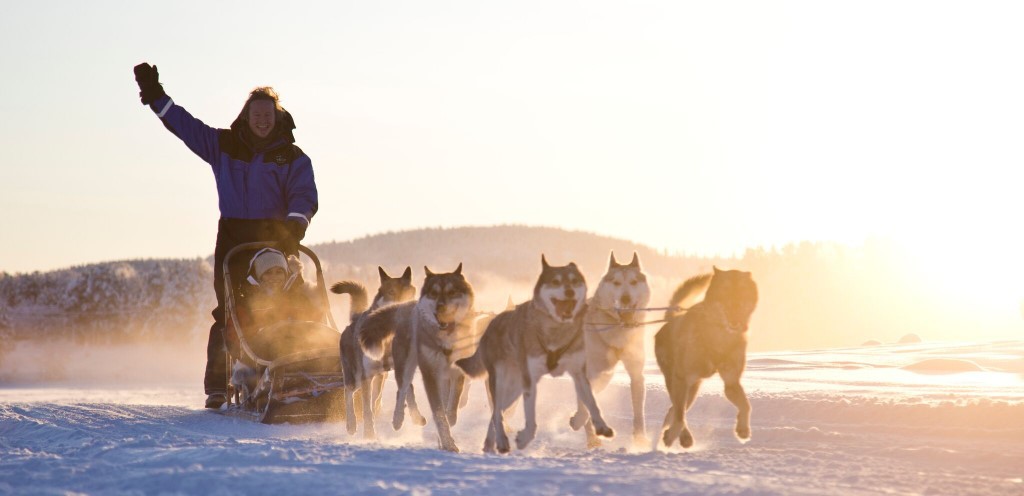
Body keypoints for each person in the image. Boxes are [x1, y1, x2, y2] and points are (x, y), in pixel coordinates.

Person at [133, 63, 318, 409]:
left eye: (268, 114)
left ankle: (309, 365)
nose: (262, 119)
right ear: (246, 117)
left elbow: (304, 195)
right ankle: (218, 385)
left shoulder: (293, 157)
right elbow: (187, 128)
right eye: (256, 114)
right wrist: (156, 97)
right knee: (231, 309)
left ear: (277, 118)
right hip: (234, 236)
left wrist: (295, 226)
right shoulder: (224, 145)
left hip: (278, 237)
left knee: (293, 300)